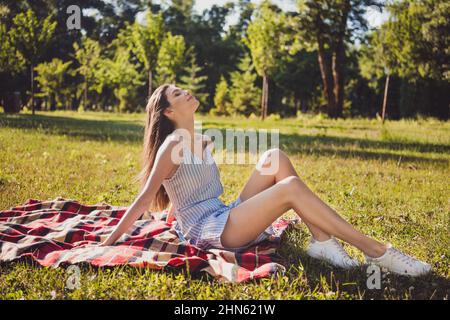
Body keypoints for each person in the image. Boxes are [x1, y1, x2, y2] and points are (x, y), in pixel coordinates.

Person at [100, 83, 431, 277]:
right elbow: (146, 197)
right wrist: (110, 240)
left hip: (222, 215)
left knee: (274, 157)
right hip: (214, 231)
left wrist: (175, 216)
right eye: (178, 94)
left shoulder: (199, 139)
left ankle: (323, 243)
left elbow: (184, 190)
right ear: (169, 113)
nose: (187, 92)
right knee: (289, 189)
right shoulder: (172, 145)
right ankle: (377, 252)